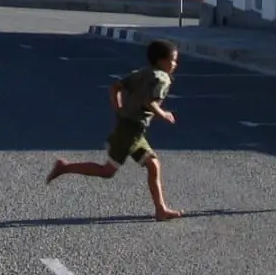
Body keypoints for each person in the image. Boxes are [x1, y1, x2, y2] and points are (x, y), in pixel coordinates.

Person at [46, 38, 183, 221]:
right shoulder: (162, 79)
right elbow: (148, 102)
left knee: (153, 165)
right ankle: (65, 167)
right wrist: (164, 114)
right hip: (130, 131)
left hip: (131, 128)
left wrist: (118, 108)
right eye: (172, 60)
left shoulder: (141, 72)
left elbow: (114, 87)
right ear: (161, 61)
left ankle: (161, 209)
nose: (175, 64)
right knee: (107, 171)